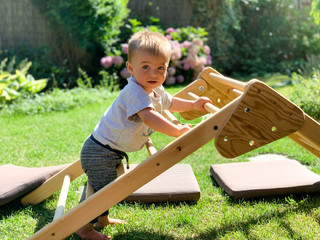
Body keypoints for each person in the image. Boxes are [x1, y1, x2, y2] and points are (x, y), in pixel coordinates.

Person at [75, 30, 212, 240]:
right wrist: (176, 131)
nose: (153, 74)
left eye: (160, 68)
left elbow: (171, 103)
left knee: (106, 187)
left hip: (110, 151)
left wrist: (193, 104)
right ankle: (83, 229)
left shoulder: (156, 90)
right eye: (145, 67)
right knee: (103, 192)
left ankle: (102, 220)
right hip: (100, 152)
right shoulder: (135, 92)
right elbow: (148, 117)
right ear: (130, 68)